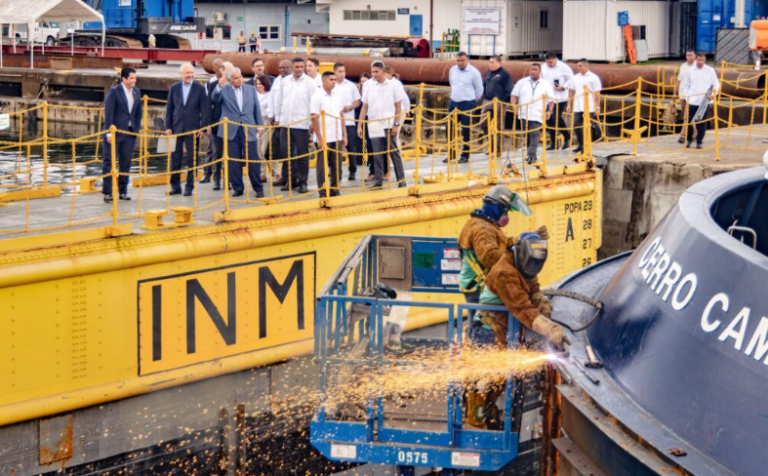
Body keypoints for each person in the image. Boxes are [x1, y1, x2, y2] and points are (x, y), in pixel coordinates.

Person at [458, 185, 541, 320]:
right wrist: (517, 255)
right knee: (485, 325)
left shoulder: (484, 224)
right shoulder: (482, 229)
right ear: (496, 207)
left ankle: (475, 337)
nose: (506, 215)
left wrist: (517, 240)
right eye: (505, 210)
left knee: (483, 323)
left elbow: (499, 243)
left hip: (478, 286)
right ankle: (479, 339)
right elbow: (489, 256)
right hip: (479, 287)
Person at [477, 232, 566, 348]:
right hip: (489, 329)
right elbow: (522, 308)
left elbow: (533, 288)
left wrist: (540, 301)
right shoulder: (504, 273)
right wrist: (550, 329)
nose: (532, 268)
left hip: (507, 322)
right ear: (520, 253)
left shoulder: (525, 264)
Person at [211, 67, 264, 198]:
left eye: (240, 76)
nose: (240, 79)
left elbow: (256, 108)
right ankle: (238, 188)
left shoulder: (250, 90)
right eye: (236, 78)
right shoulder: (224, 90)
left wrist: (259, 126)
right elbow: (214, 98)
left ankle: (258, 188)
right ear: (229, 80)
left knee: (253, 159)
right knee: (233, 161)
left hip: (248, 128)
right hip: (231, 130)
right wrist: (219, 84)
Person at [358, 60, 407, 189]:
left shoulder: (393, 85)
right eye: (372, 72)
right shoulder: (368, 86)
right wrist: (360, 125)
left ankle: (401, 180)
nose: (374, 74)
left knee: (393, 152)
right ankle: (378, 181)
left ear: (383, 72)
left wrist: (396, 125)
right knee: (377, 153)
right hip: (374, 123)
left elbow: (398, 107)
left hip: (388, 123)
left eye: (377, 72)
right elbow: (364, 107)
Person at [165, 63, 211, 197]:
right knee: (175, 158)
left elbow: (205, 110)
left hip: (193, 129)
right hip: (176, 128)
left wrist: (202, 128)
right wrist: (168, 127)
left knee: (192, 159)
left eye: (191, 72)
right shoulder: (174, 88)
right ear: (181, 74)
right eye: (187, 73)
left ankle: (189, 187)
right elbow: (170, 109)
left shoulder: (200, 88)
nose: (190, 75)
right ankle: (175, 186)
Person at [273, 57, 316, 193]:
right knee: (287, 154)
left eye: (301, 67)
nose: (299, 69)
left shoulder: (310, 83)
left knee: (303, 155)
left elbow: (313, 103)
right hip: (286, 123)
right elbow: (279, 101)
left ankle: (303, 182)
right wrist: (278, 118)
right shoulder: (284, 82)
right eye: (296, 67)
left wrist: (311, 122)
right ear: (292, 68)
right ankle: (291, 181)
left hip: (302, 124)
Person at [102, 66, 142, 203]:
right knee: (109, 162)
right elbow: (109, 114)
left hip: (129, 133)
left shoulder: (137, 92)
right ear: (123, 79)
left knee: (126, 162)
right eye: (131, 78)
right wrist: (108, 133)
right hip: (114, 133)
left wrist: (136, 128)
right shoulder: (114, 92)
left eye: (135, 78)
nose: (134, 81)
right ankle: (108, 192)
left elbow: (138, 112)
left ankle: (123, 191)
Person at [311, 71, 347, 197]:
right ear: (324, 81)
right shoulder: (317, 96)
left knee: (337, 164)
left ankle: (335, 188)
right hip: (323, 137)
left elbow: (341, 115)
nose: (334, 82)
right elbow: (314, 118)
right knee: (322, 165)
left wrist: (344, 134)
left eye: (334, 80)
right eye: (331, 79)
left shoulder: (336, 95)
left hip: (336, 136)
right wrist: (320, 138)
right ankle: (322, 190)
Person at [510, 64, 554, 164]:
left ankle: (531, 156)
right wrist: (514, 106)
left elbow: (551, 100)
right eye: (531, 69)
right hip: (524, 113)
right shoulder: (522, 82)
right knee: (528, 135)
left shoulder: (545, 84)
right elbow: (514, 95)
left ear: (540, 71)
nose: (533, 71)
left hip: (537, 114)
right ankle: (530, 154)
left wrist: (549, 111)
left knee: (534, 135)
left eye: (535, 70)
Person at [445, 52, 483, 163]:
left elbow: (479, 90)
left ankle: (465, 155)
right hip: (454, 102)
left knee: (465, 130)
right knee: (449, 128)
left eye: (462, 61)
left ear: (467, 60)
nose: (460, 63)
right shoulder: (453, 70)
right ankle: (451, 153)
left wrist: (471, 100)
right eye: (458, 61)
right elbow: (452, 83)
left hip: (467, 103)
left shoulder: (474, 73)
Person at [682, 53, 719, 150]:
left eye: (702, 60)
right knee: (689, 121)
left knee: (701, 122)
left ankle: (699, 141)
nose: (700, 62)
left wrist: (713, 95)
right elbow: (686, 85)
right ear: (696, 59)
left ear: (705, 60)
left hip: (704, 101)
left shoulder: (710, 71)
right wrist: (687, 96)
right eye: (699, 60)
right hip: (692, 100)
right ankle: (689, 139)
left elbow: (716, 84)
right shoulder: (690, 71)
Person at [566, 59, 602, 154]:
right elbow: (572, 91)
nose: (578, 67)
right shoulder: (575, 77)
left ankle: (587, 145)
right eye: (578, 65)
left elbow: (597, 93)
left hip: (589, 106)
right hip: (578, 106)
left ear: (586, 66)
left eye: (580, 65)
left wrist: (597, 107)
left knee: (587, 126)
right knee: (576, 125)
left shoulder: (593, 78)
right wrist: (569, 104)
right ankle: (581, 144)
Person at [333, 62, 362, 181]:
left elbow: (358, 101)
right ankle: (336, 171)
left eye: (343, 71)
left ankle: (352, 170)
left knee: (351, 147)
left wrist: (350, 107)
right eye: (339, 71)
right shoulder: (332, 85)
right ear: (335, 72)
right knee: (335, 148)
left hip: (349, 121)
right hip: (334, 121)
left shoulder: (350, 86)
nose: (342, 74)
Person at [541, 52, 573, 150]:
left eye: (551, 62)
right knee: (549, 120)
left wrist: (564, 87)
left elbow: (572, 79)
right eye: (547, 62)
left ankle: (567, 137)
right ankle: (554, 143)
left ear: (555, 59)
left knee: (556, 118)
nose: (549, 64)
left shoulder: (564, 67)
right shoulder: (543, 67)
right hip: (548, 98)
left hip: (560, 97)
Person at [481, 55, 513, 155]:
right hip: (487, 101)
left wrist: (502, 102)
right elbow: (484, 86)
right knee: (483, 124)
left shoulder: (504, 74)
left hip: (499, 102)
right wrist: (484, 97)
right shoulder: (488, 73)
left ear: (499, 63)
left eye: (493, 62)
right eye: (489, 62)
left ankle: (498, 150)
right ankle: (491, 146)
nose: (490, 64)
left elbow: (509, 90)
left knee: (499, 126)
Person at [202, 59, 225, 186]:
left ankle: (229, 180)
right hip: (216, 123)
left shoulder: (234, 83)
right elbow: (207, 105)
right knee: (215, 151)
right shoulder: (212, 84)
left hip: (230, 123)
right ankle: (214, 178)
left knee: (230, 153)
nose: (221, 69)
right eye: (219, 67)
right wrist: (207, 125)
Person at [271, 59, 292, 187]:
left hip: (294, 123)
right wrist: (274, 117)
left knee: (292, 152)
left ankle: (291, 178)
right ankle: (284, 176)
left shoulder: (293, 82)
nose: (282, 70)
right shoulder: (277, 81)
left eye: (285, 67)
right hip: (280, 122)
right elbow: (275, 101)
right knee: (283, 151)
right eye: (280, 68)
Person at [255, 74, 277, 183]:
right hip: (256, 122)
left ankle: (276, 173)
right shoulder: (255, 95)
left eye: (261, 84)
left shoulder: (270, 95)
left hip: (267, 122)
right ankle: (262, 174)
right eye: (257, 84)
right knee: (258, 150)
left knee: (266, 149)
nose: (259, 86)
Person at [676, 50, 696, 144]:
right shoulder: (683, 66)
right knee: (687, 115)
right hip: (682, 94)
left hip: (692, 95)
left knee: (686, 116)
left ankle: (682, 135)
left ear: (695, 56)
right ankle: (695, 132)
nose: (689, 57)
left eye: (691, 55)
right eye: (687, 55)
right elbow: (679, 80)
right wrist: (674, 93)